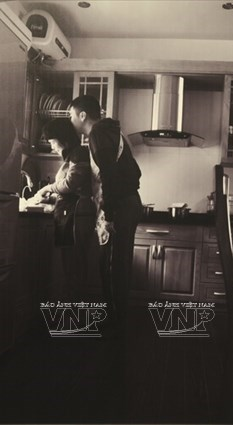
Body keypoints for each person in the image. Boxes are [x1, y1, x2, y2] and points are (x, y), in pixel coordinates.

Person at [68, 95, 142, 332]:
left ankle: (114, 325)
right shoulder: (112, 131)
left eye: (71, 115)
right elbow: (135, 172)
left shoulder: (98, 134)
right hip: (127, 203)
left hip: (119, 206)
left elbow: (108, 176)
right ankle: (117, 321)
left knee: (110, 264)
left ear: (82, 115)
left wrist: (108, 215)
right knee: (117, 263)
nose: (71, 120)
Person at [30, 118, 95, 299]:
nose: (52, 147)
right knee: (71, 267)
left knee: (73, 267)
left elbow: (70, 184)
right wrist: (51, 197)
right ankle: (73, 307)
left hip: (75, 216)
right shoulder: (73, 156)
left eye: (52, 142)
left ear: (63, 140)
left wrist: (47, 189)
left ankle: (74, 309)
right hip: (70, 215)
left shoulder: (79, 154)